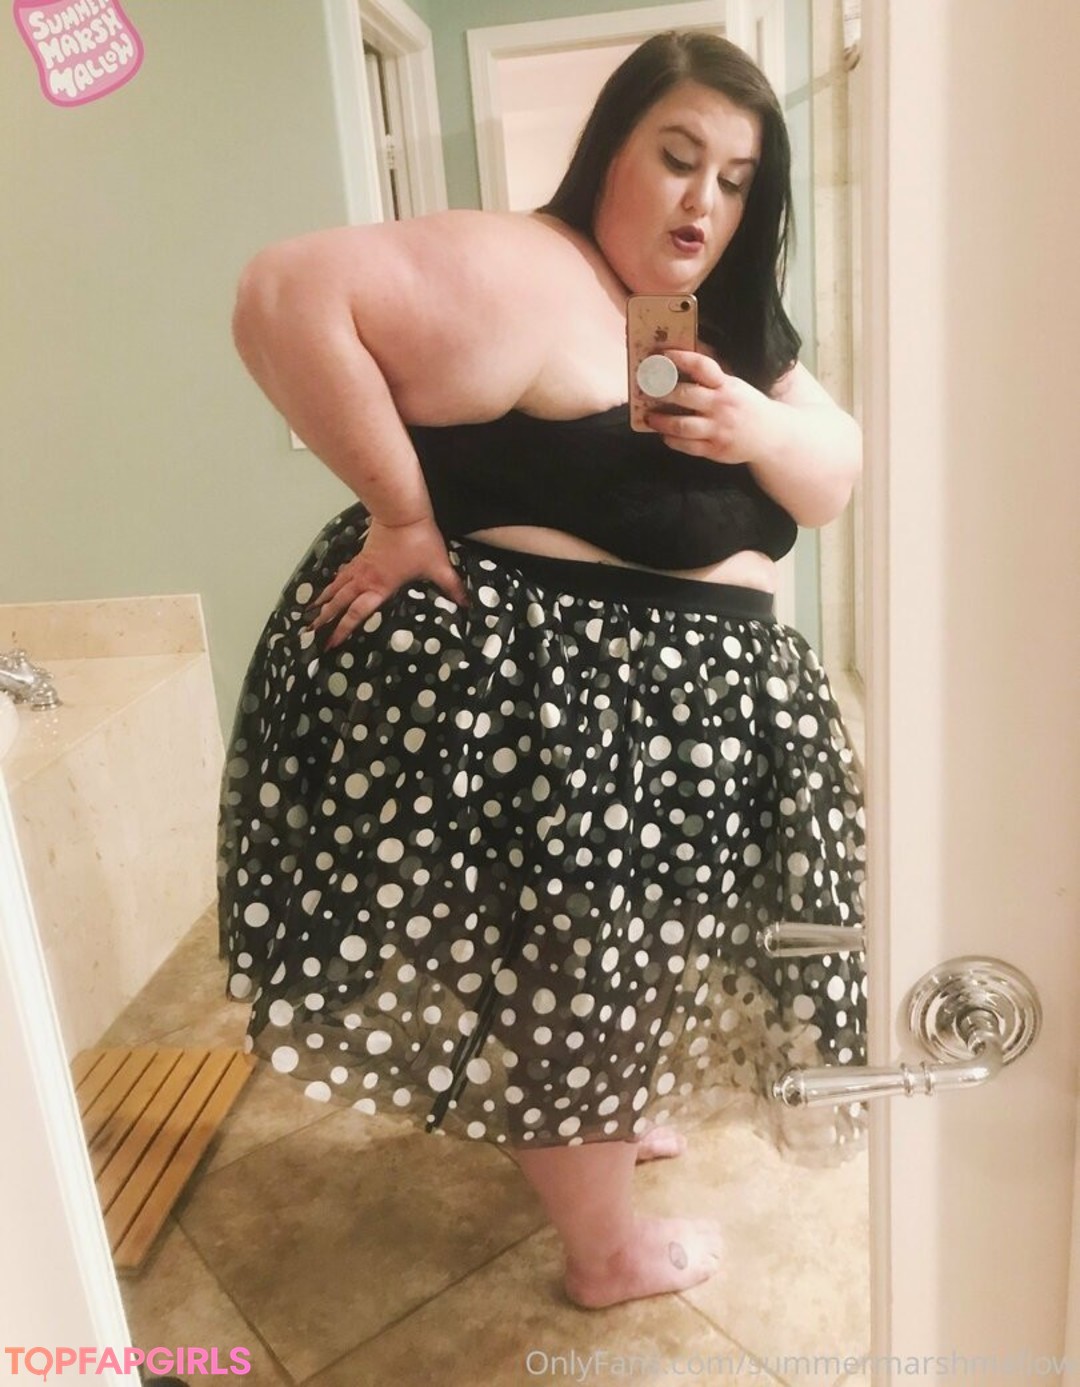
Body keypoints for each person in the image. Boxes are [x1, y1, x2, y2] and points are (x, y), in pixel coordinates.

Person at [218, 30, 867, 1310]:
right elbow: (283, 292)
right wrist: (401, 510)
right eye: (677, 157)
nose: (704, 200)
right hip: (574, 727)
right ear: (610, 149)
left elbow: (833, 477)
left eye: (736, 180)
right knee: (583, 976)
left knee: (628, 964)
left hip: (663, 733)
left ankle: (598, 1111)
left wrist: (756, 422)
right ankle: (605, 1252)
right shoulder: (527, 265)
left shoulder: (712, 319)